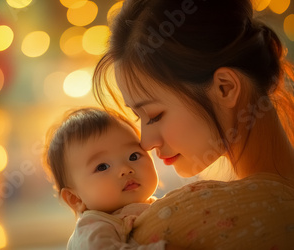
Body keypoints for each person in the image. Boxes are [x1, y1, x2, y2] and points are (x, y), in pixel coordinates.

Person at [93, 0, 294, 248]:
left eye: (155, 115)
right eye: (139, 118)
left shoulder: (187, 219)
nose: (146, 142)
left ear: (226, 87)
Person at [44, 107, 167, 249]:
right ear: (75, 198)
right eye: (102, 167)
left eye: (133, 156)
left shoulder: (160, 205)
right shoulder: (92, 229)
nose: (125, 169)